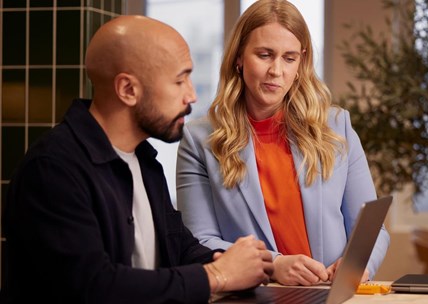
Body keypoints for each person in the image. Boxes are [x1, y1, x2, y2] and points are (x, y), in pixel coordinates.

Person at [1, 15, 273, 304]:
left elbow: (180, 248)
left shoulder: (144, 161)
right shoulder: (52, 171)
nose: (191, 95)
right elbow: (94, 287)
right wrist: (217, 276)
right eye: (180, 80)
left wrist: (260, 264)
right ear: (128, 90)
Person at [176, 0, 389, 286]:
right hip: (256, 295)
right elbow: (200, 241)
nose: (277, 70)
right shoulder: (199, 140)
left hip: (331, 294)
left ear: (301, 63)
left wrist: (359, 266)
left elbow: (371, 229)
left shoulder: (337, 127)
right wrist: (273, 265)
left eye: (289, 58)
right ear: (239, 57)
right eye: (265, 55)